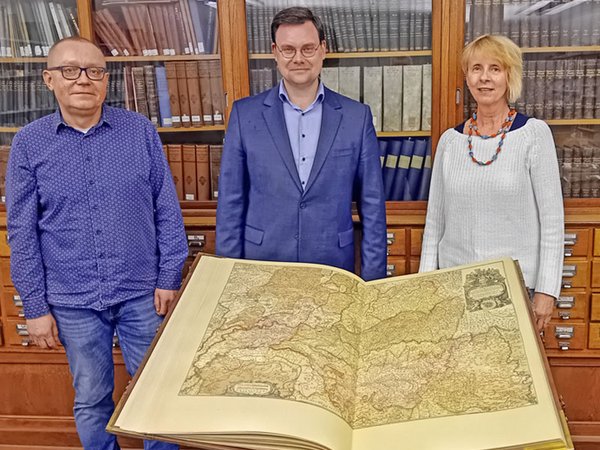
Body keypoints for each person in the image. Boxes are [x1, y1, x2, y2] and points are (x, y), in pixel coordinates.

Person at [5, 37, 187, 450]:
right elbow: (22, 231)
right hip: (72, 299)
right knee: (91, 400)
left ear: (106, 80)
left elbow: (167, 209)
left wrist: (168, 275)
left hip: (143, 292)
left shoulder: (138, 130)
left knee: (157, 394)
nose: (83, 79)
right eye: (70, 70)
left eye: (94, 71)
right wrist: (34, 307)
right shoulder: (29, 144)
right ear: (49, 79)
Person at [216, 7, 387, 281]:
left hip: (332, 268)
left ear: (323, 49)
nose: (298, 58)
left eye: (308, 48)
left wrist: (374, 282)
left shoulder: (356, 117)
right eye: (288, 49)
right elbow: (231, 204)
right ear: (275, 52)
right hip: (261, 268)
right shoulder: (243, 115)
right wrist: (228, 280)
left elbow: (372, 206)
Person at [419, 34, 564, 332]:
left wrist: (547, 291)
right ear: (467, 77)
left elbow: (552, 221)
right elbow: (435, 222)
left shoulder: (533, 135)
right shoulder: (450, 141)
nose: (484, 78)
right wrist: (426, 284)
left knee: (510, 376)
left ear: (509, 76)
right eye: (476, 68)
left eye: (495, 69)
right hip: (453, 286)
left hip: (515, 287)